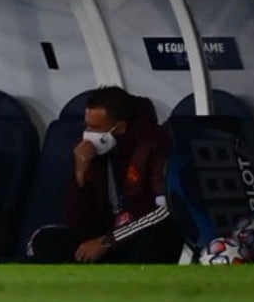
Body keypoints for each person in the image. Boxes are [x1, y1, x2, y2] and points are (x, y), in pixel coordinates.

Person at [26, 86, 184, 263]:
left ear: (120, 127)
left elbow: (165, 211)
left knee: (151, 242)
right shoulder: (91, 151)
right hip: (105, 234)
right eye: (87, 125)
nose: (88, 133)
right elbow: (76, 221)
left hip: (139, 235)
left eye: (95, 127)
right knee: (45, 240)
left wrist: (109, 241)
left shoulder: (155, 143)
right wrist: (80, 176)